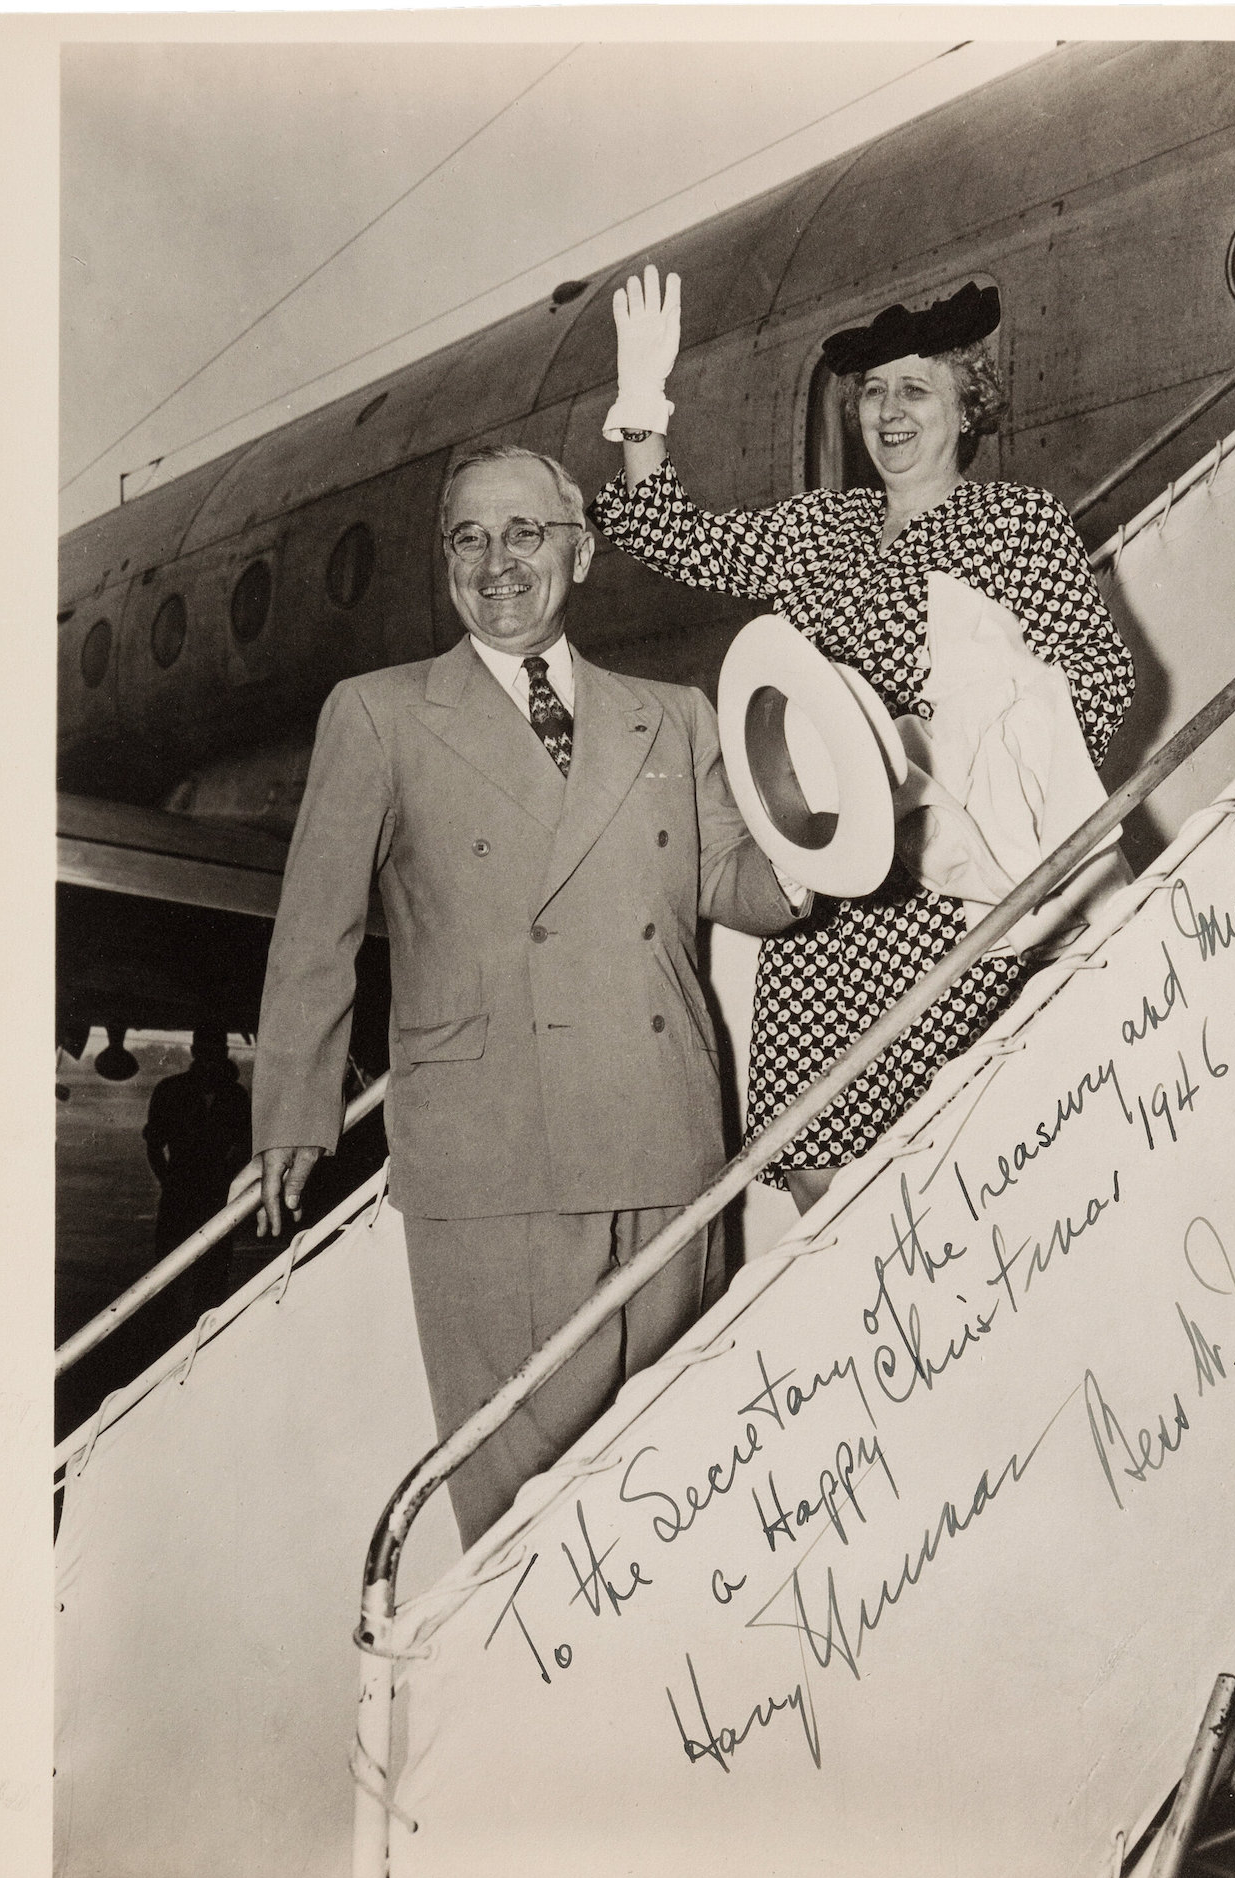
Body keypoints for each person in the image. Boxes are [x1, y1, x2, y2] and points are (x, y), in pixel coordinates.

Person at [243, 445, 806, 1549]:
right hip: (493, 1155)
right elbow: (316, 930)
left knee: (672, 1489)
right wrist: (293, 1113)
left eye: (526, 532)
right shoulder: (378, 714)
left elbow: (727, 878)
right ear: (446, 561)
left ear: (581, 550)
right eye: (469, 537)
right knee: (515, 1513)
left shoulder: (672, 714)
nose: (498, 561)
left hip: (666, 1136)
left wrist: (818, 849)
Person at [591, 268, 1135, 1213]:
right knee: (811, 1158)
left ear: (969, 407)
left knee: (942, 1166)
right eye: (873, 392)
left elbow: (1102, 679)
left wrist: (953, 755)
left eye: (915, 390)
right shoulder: (823, 528)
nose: (888, 413)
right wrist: (643, 406)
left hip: (946, 893)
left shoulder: (1016, 526)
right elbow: (675, 541)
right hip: (824, 897)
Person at [143, 1027, 252, 1319]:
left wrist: (228, 1179)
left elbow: (245, 1144)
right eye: (207, 1051)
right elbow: (154, 1145)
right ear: (195, 1052)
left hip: (216, 1196)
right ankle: (164, 1338)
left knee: (214, 1278)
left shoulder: (235, 1096)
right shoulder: (170, 1090)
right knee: (166, 1277)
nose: (213, 1058)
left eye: (218, 1051)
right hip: (180, 1195)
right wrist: (170, 1182)